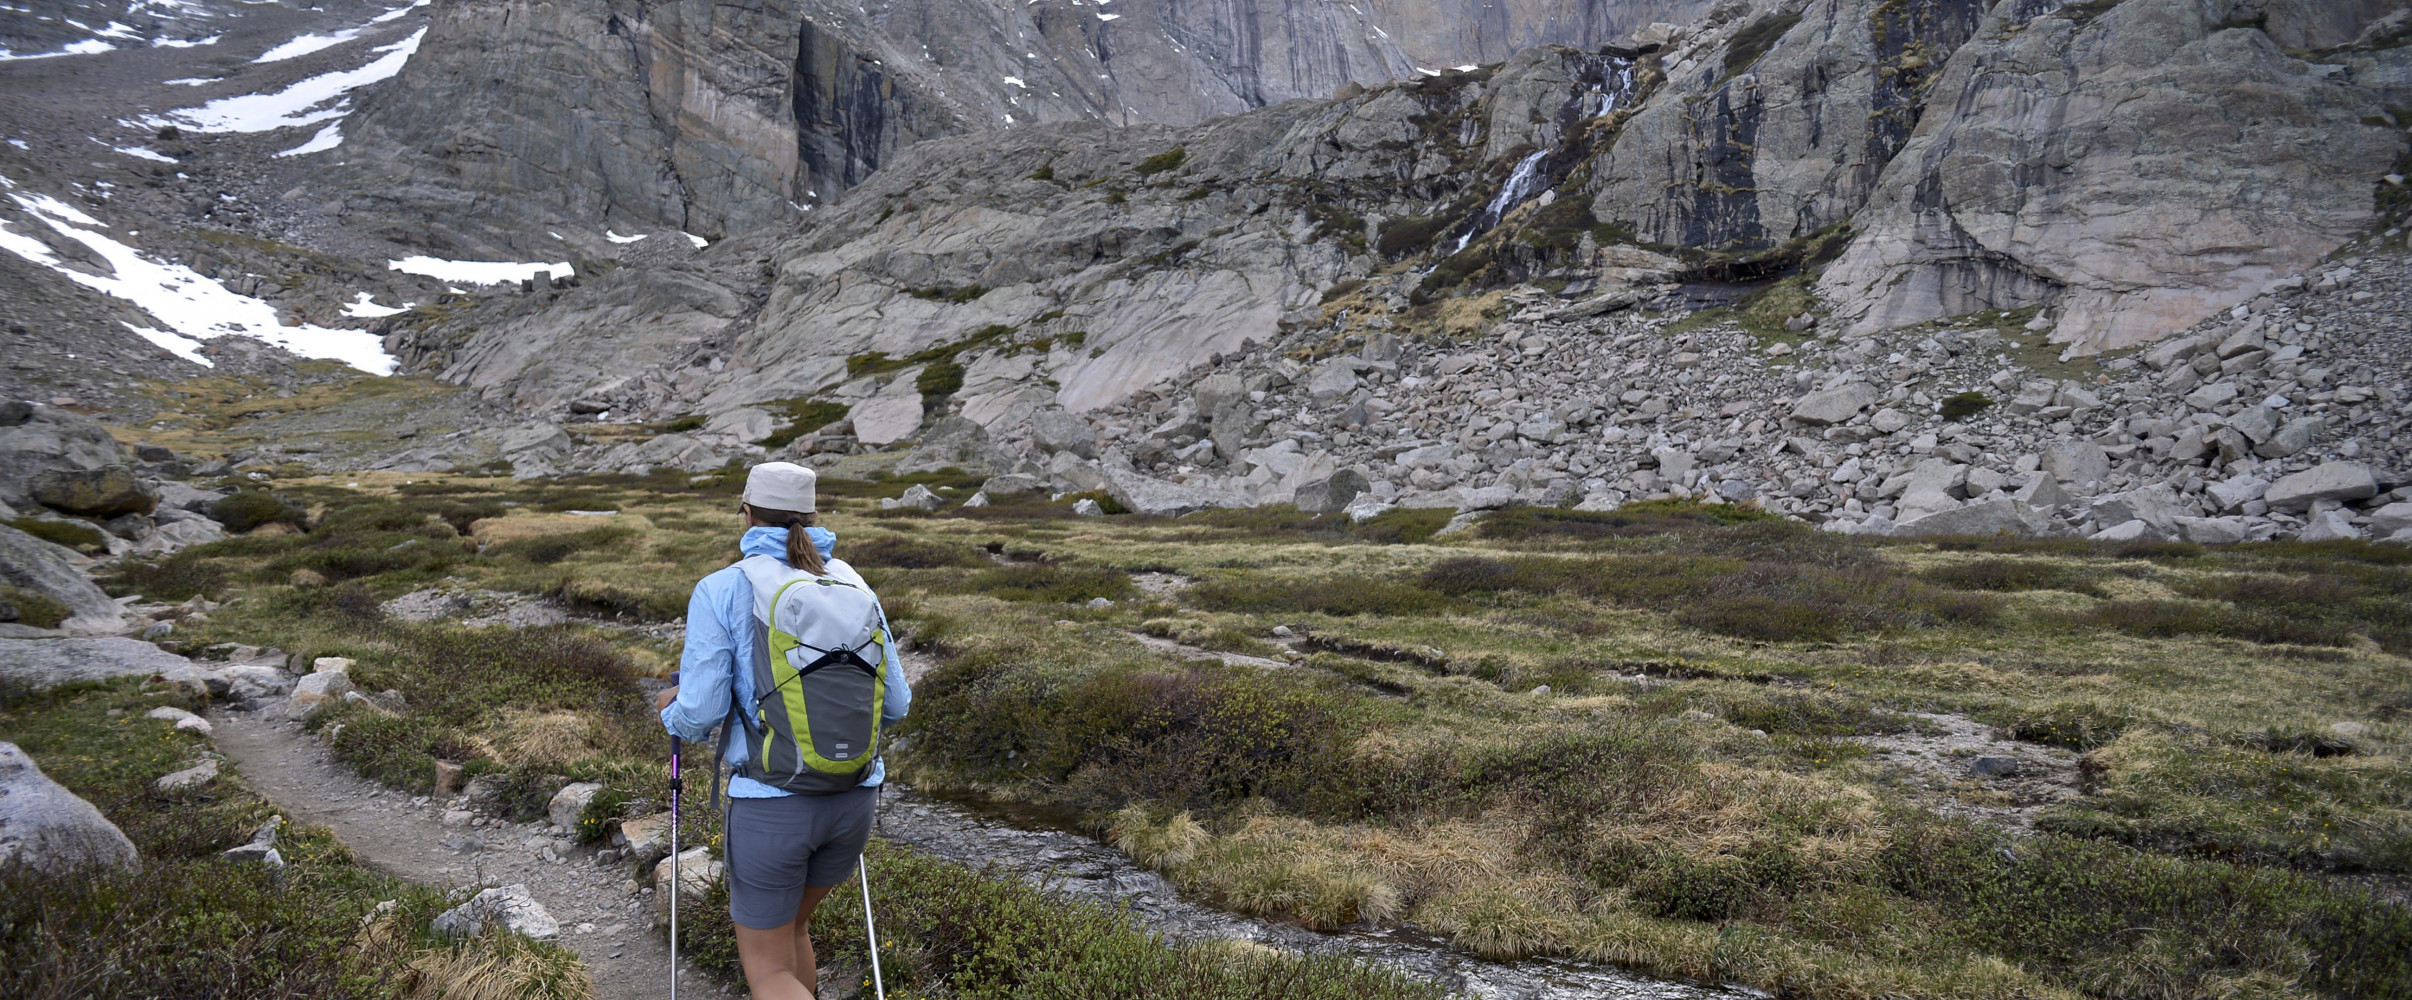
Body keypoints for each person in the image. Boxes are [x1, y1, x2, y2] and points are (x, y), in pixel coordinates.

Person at [656, 462, 910, 1000]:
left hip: (772, 804)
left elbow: (699, 715)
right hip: (854, 801)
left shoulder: (722, 588)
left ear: (747, 514)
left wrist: (670, 713)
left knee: (769, 970)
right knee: (795, 928)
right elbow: (897, 704)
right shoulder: (851, 582)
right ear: (814, 516)